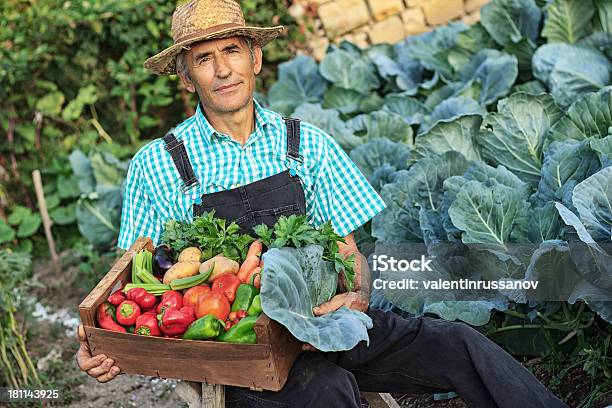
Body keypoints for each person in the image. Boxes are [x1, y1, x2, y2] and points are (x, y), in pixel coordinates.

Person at [75, 0, 568, 406]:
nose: (223, 69)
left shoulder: (306, 143)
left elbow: (349, 252)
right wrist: (105, 345)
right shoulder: (158, 164)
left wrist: (354, 299)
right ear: (186, 76)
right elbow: (139, 286)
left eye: (232, 50)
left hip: (327, 320)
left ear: (256, 58)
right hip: (248, 356)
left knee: (459, 344)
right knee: (329, 392)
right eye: (204, 59)